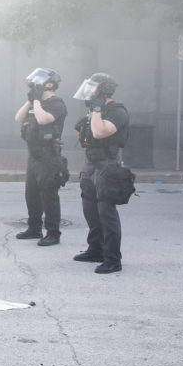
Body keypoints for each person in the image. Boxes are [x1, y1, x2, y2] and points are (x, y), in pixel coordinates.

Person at [71, 73, 130, 274]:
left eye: (93, 89)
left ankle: (113, 259)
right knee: (90, 210)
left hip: (108, 164)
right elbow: (82, 132)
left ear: (103, 91)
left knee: (106, 213)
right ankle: (95, 249)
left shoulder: (117, 111)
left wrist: (96, 109)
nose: (89, 94)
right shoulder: (95, 111)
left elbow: (99, 132)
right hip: (91, 163)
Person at [14, 68, 68, 245]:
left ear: (49, 84)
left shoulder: (57, 103)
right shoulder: (35, 103)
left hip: (48, 156)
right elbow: (18, 118)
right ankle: (34, 228)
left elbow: (44, 120)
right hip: (34, 155)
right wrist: (30, 100)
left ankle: (53, 233)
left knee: (49, 195)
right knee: (31, 194)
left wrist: (36, 101)